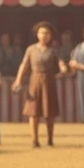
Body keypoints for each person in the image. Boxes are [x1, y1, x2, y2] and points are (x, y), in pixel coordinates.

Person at [13, 21, 69, 149]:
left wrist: (64, 68)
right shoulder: (31, 49)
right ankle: (35, 140)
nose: (44, 35)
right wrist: (18, 80)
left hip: (49, 81)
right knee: (33, 112)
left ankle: (50, 140)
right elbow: (24, 65)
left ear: (50, 36)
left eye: (47, 33)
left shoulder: (54, 50)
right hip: (34, 80)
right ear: (37, 34)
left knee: (50, 112)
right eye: (42, 32)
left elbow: (61, 64)